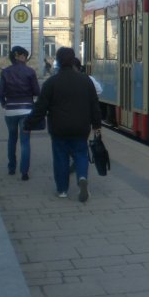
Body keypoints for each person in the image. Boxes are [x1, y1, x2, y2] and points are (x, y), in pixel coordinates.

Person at [25, 47, 101, 202]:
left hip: (58, 128)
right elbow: (94, 105)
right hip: (81, 127)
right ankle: (82, 177)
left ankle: (62, 190)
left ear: (58, 61)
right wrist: (96, 125)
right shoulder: (85, 81)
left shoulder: (51, 82)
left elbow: (41, 107)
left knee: (60, 157)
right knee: (81, 154)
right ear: (73, 60)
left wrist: (28, 124)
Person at [0, 46, 41, 180]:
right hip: (26, 110)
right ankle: (24, 172)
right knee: (25, 141)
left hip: (10, 110)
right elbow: (37, 92)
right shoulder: (30, 72)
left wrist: (4, 103)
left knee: (12, 138)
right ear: (20, 56)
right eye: (25, 56)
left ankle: (11, 168)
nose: (26, 59)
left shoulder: (5, 72)